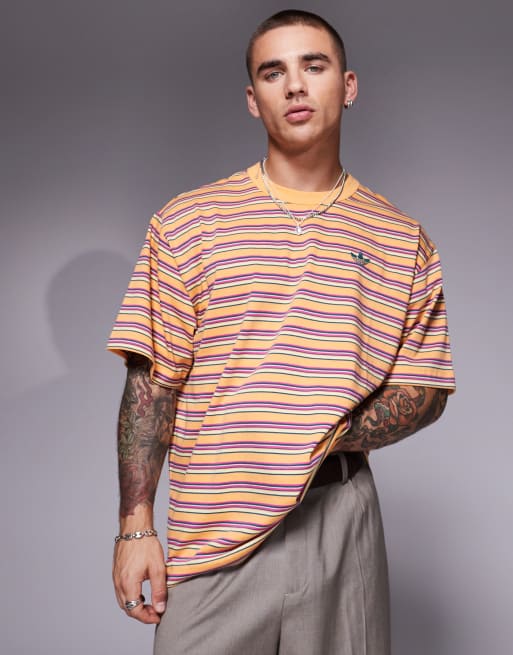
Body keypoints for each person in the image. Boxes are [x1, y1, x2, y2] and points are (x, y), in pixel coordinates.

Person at [108, 9, 455, 655]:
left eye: (312, 66)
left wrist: (315, 435)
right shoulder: (188, 222)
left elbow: (425, 389)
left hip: (338, 518)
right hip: (214, 529)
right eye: (273, 72)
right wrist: (135, 527)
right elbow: (151, 385)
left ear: (347, 86)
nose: (294, 85)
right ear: (253, 98)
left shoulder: (401, 237)